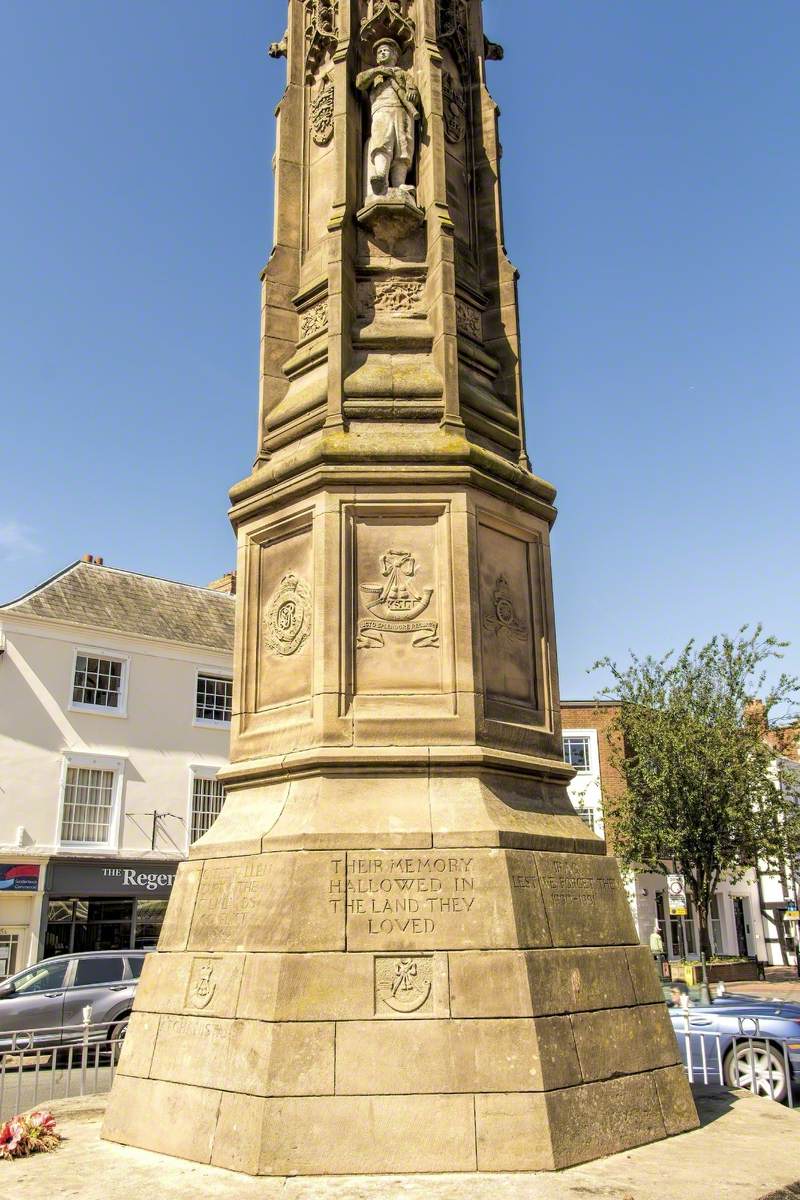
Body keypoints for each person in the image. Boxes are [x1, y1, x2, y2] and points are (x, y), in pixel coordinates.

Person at [356, 39, 420, 197]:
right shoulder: (375, 74)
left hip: (402, 112)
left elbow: (413, 92)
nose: (382, 53)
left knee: (403, 147)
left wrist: (412, 93)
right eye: (379, 52)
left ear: (395, 55)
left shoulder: (402, 73)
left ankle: (399, 184)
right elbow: (360, 82)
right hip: (381, 110)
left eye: (385, 50)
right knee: (382, 142)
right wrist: (377, 72)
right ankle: (381, 177)